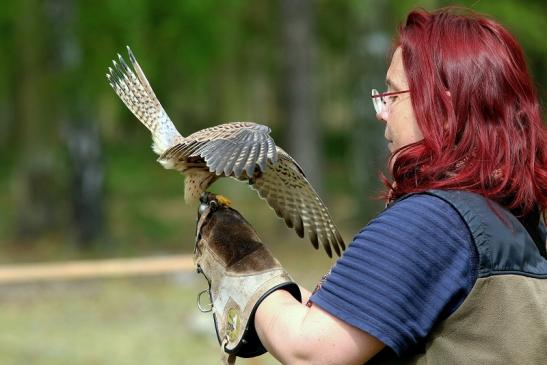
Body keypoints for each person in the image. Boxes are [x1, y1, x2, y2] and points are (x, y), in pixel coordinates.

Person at [194, 7, 547, 365]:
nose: (381, 111)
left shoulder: (434, 220)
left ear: (444, 104)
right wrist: (281, 292)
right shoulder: (520, 222)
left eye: (393, 95)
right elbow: (350, 325)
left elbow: (310, 351)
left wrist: (244, 267)